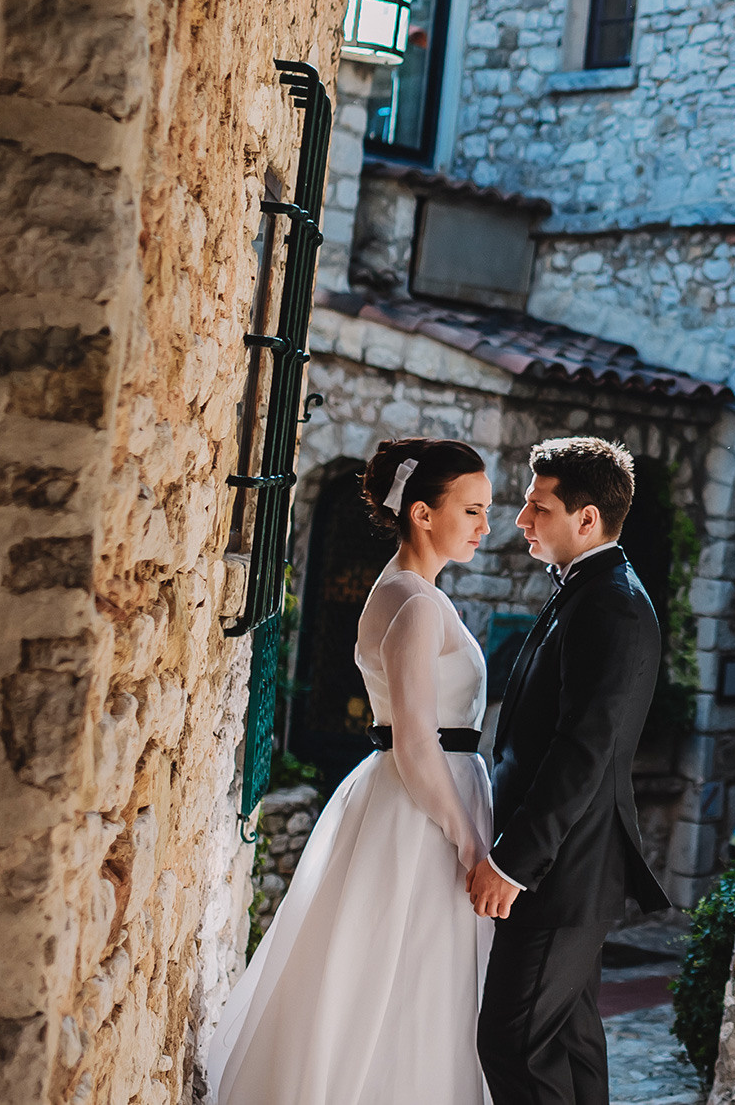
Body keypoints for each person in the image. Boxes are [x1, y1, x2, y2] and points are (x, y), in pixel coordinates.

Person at [208, 437, 496, 1104]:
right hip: (427, 813)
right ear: (422, 512)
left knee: (386, 974)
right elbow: (416, 744)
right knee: (411, 979)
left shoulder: (400, 590)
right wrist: (470, 843)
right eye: (472, 510)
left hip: (409, 799)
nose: (486, 526)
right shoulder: (415, 602)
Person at [469, 436, 669, 1105]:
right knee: (569, 1047)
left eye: (540, 507)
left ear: (587, 519)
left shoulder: (612, 602)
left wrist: (513, 863)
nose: (522, 518)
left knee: (514, 1043)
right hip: (566, 872)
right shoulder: (588, 590)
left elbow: (583, 750)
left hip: (561, 872)